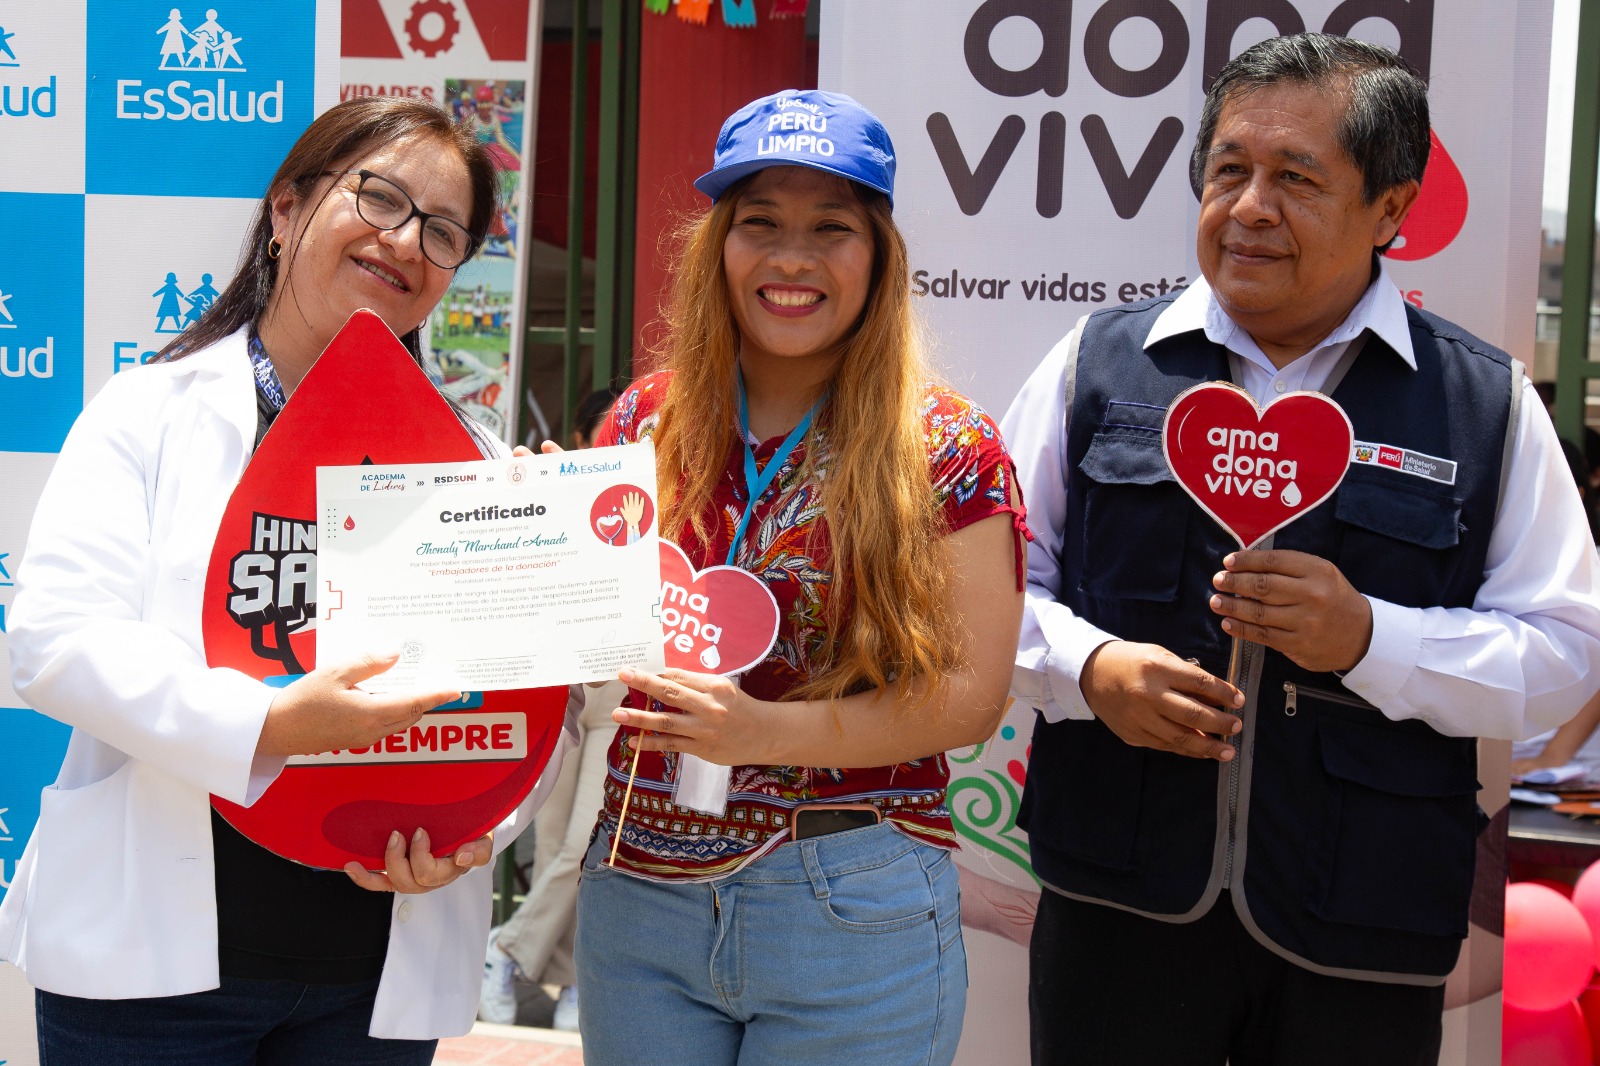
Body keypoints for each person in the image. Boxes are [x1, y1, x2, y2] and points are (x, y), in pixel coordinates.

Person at [1004, 33, 1600, 1066]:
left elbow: (1564, 655)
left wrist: (1373, 639)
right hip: (1118, 910)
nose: (1248, 207)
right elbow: (986, 595)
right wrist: (1086, 666)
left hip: (1361, 925)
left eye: (1295, 178)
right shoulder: (1096, 366)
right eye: (1228, 169)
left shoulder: (1483, 403)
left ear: (1390, 209)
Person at [0, 97, 573, 1064]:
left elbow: (517, 710)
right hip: (156, 977)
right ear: (287, 208)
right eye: (381, 198)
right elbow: (56, 641)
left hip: (366, 981)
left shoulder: (475, 464)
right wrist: (270, 727)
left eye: (443, 233)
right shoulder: (151, 411)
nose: (406, 242)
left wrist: (470, 826)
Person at [571, 89, 1028, 1065]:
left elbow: (966, 698)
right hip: (641, 895)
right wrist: (531, 542)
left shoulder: (946, 445)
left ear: (878, 257)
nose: (791, 258)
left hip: (846, 896)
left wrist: (765, 732)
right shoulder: (638, 425)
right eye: (760, 224)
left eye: (831, 228)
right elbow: (588, 640)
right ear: (717, 247)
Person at [480, 388, 623, 1030]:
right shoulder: (554, 494)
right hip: (557, 686)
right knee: (555, 843)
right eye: (600, 438)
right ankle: (566, 981)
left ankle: (505, 951)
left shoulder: (650, 501)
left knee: (587, 844)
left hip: (622, 690)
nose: (609, 449)